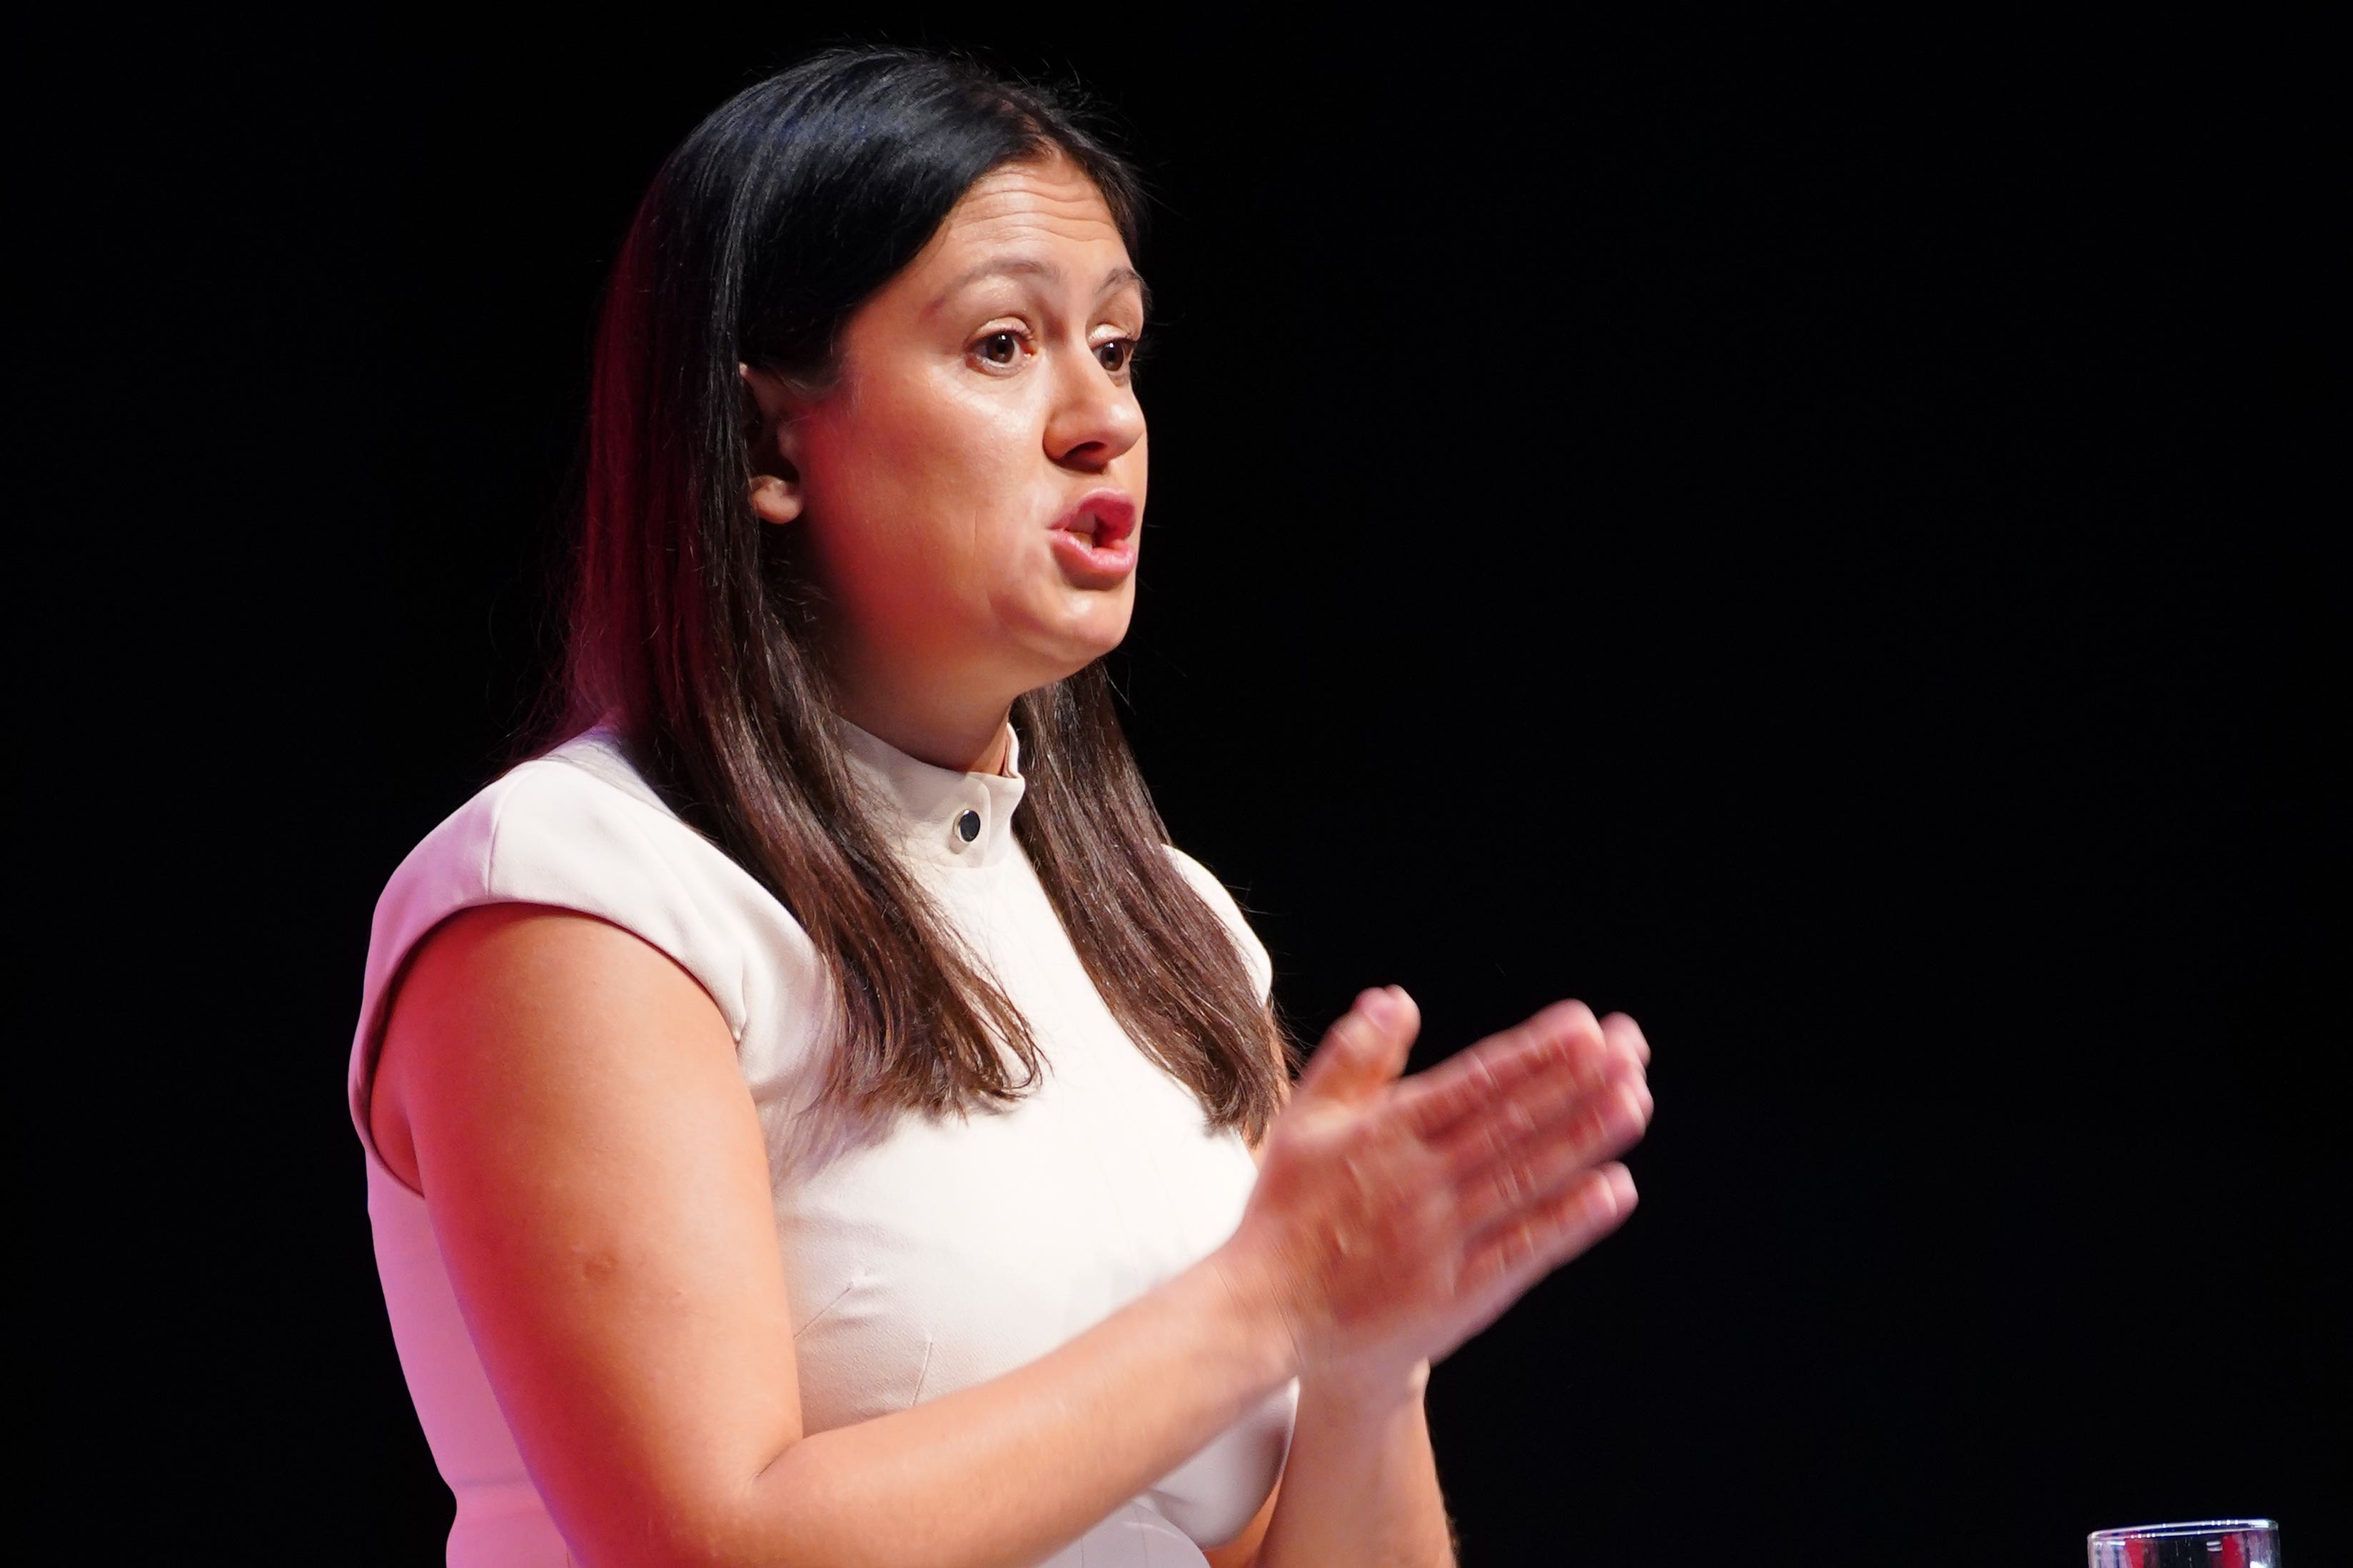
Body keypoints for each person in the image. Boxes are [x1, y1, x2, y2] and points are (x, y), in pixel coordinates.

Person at [348, 45, 1655, 1568]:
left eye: (1115, 345)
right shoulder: (580, 891)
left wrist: (1363, 1367)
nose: (1101, 416)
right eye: (1000, 345)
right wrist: (1268, 1302)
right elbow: (706, 1544)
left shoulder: (1175, 933)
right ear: (772, 438)